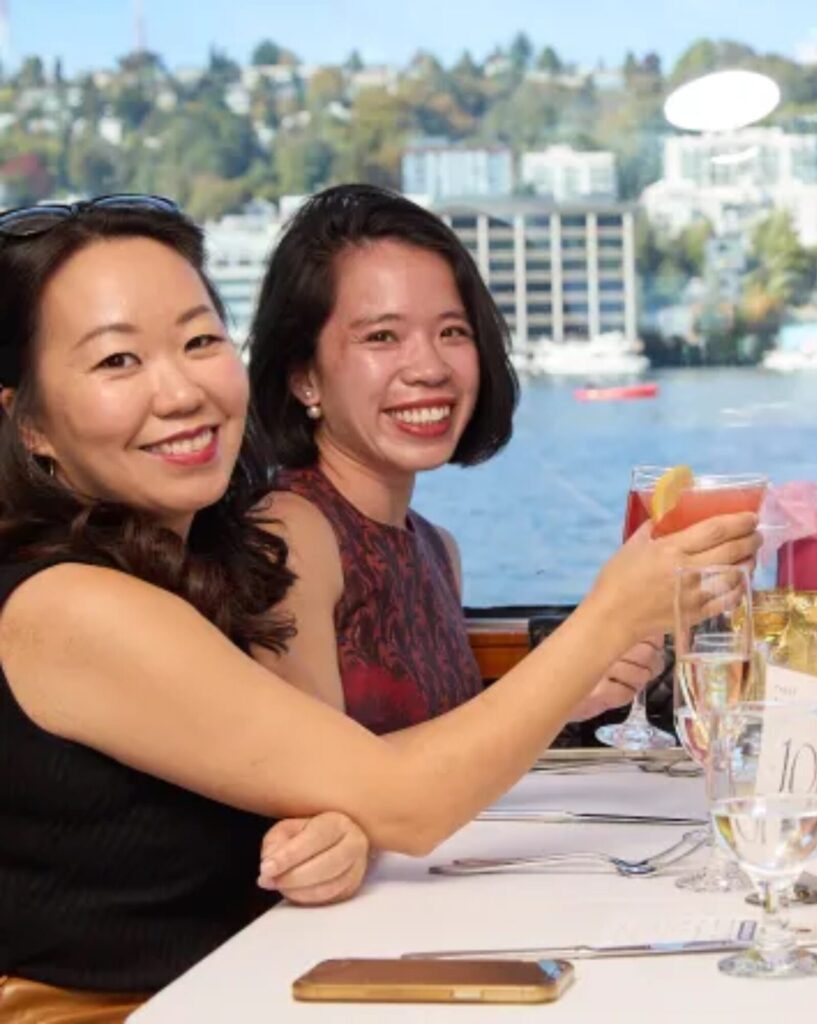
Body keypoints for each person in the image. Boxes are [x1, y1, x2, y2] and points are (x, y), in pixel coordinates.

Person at [0, 196, 758, 1014]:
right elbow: (399, 796)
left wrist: (335, 830)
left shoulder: (190, 570)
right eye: (118, 361)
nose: (181, 389)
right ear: (29, 421)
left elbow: (328, 794)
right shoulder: (69, 604)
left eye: (198, 341)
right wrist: (611, 612)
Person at [248, 185, 676, 729]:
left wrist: (572, 697)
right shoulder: (289, 537)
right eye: (382, 336)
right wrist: (587, 639)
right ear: (303, 377)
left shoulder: (435, 549)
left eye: (452, 331)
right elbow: (328, 779)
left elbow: (442, 749)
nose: (429, 367)